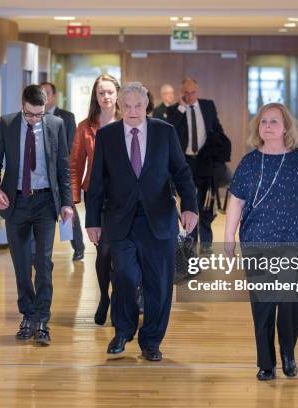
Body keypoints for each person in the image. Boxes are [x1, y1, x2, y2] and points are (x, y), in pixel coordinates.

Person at [85, 82, 198, 361]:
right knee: (124, 276)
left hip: (159, 220)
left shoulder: (165, 132)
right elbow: (97, 181)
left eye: (138, 105)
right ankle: (123, 331)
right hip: (120, 220)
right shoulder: (108, 135)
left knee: (158, 283)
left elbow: (181, 173)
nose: (133, 111)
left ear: (147, 105)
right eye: (127, 106)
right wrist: (91, 221)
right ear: (119, 106)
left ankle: (151, 341)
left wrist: (191, 207)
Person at [224, 102, 298, 381]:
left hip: (296, 241)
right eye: (263, 122)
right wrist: (228, 237)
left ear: (286, 128)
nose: (267, 126)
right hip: (257, 242)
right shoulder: (249, 162)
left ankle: (288, 352)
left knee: (293, 301)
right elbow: (236, 201)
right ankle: (266, 363)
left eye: (274, 122)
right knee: (263, 304)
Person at [0, 84, 74, 346]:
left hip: (46, 202)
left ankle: (43, 320)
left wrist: (67, 203)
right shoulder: (6, 124)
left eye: (39, 114)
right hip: (16, 202)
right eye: (30, 114)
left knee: (43, 263)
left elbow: (63, 167)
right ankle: (28, 315)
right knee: (22, 264)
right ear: (22, 105)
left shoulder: (55, 125)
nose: (35, 119)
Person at [70, 74, 121, 325]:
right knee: (104, 251)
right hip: (97, 195)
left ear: (118, 94)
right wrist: (74, 198)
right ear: (96, 96)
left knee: (124, 249)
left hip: (126, 195)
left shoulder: (131, 121)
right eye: (101, 92)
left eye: (110, 91)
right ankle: (105, 297)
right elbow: (76, 164)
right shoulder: (85, 127)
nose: (106, 96)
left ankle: (126, 296)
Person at [166, 77, 231, 255]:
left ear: (198, 91)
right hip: (184, 162)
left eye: (192, 92)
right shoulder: (174, 109)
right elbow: (169, 128)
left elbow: (217, 128)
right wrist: (181, 108)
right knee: (189, 201)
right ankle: (191, 243)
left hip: (204, 161)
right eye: (186, 93)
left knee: (206, 203)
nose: (189, 96)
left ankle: (207, 242)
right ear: (181, 93)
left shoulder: (208, 105)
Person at [41, 81, 85, 261]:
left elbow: (71, 145)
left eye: (47, 93)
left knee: (67, 211)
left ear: (54, 96)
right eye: (40, 93)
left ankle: (78, 248)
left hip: (60, 173)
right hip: (40, 175)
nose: (43, 97)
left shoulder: (66, 117)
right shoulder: (34, 117)